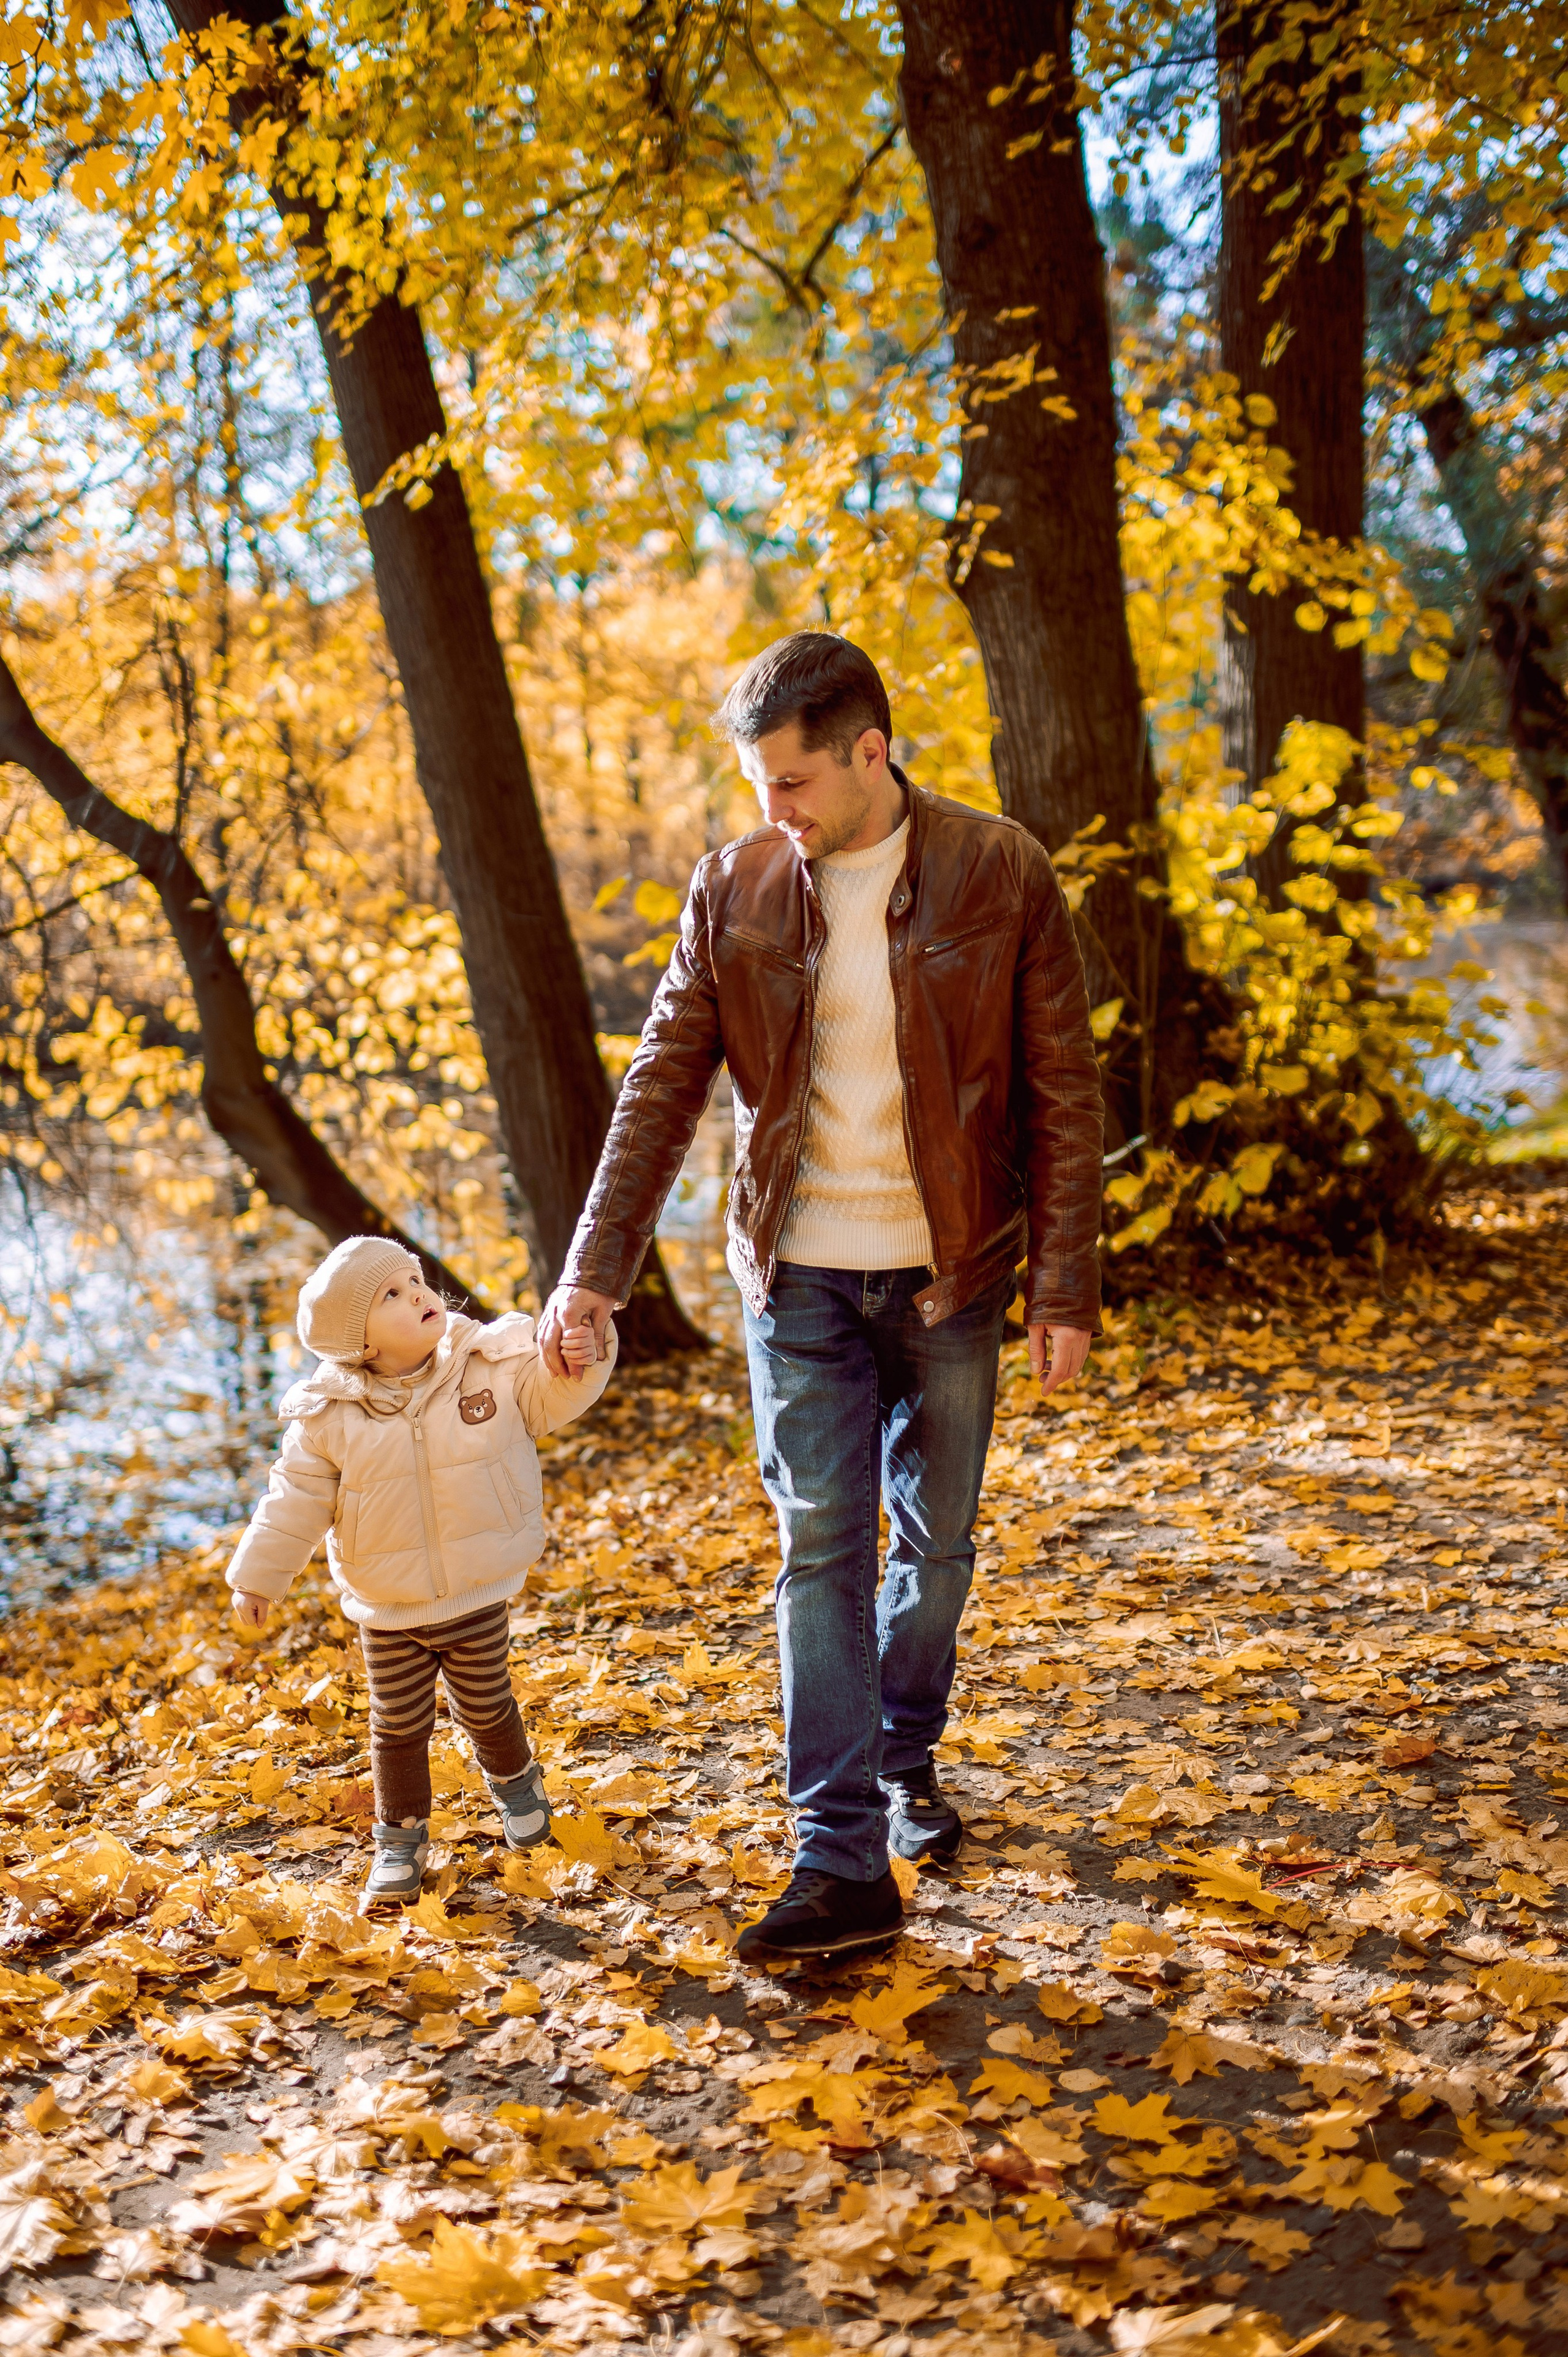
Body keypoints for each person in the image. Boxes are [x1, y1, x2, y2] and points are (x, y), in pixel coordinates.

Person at [540, 632, 1103, 1964]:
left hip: (953, 1272)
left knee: (936, 1555)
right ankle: (837, 1854)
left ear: (868, 751)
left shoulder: (997, 868)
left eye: (790, 784)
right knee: (818, 1554)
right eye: (754, 786)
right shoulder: (733, 884)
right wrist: (592, 1275)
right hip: (794, 1278)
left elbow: (1061, 1089)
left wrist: (1063, 1283)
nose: (769, 812)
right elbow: (661, 1085)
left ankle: (906, 1753)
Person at [226, 1235, 614, 1902]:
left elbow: (552, 1391)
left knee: (487, 1706)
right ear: (361, 1344)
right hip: (389, 1605)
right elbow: (294, 1498)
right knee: (397, 1725)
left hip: (475, 1588)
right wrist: (258, 1574)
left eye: (416, 1280)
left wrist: (582, 1353)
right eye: (393, 1295)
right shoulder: (328, 1417)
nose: (420, 1295)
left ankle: (519, 1787)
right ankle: (400, 1839)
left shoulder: (487, 1362)